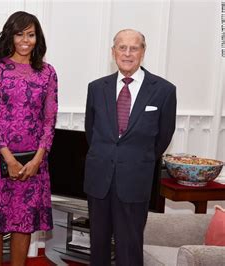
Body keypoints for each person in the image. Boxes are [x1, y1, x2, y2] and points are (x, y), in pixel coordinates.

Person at [0, 11, 58, 266]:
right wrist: (8, 158)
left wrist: (38, 158)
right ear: (11, 36)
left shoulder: (48, 73)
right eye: (20, 34)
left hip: (32, 162)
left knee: (23, 220)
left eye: (31, 34)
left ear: (37, 37)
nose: (25, 40)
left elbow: (50, 121)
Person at [84, 29, 176, 266]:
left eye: (133, 48)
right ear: (113, 52)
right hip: (99, 179)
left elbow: (163, 137)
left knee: (130, 247)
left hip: (135, 180)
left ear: (143, 52)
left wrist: (136, 160)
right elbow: (91, 131)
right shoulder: (96, 88)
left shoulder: (164, 90)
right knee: (98, 246)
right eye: (122, 47)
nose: (127, 53)